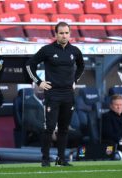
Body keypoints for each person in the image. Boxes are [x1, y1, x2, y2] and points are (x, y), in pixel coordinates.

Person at [26, 21, 85, 167]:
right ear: (56, 34)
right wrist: (39, 82)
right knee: (50, 127)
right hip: (52, 94)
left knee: (64, 128)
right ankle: (45, 159)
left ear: (69, 34)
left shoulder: (75, 51)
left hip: (68, 94)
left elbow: (82, 66)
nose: (64, 36)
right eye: (61, 33)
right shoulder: (47, 50)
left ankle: (61, 159)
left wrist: (75, 79)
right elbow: (29, 65)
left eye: (66, 33)